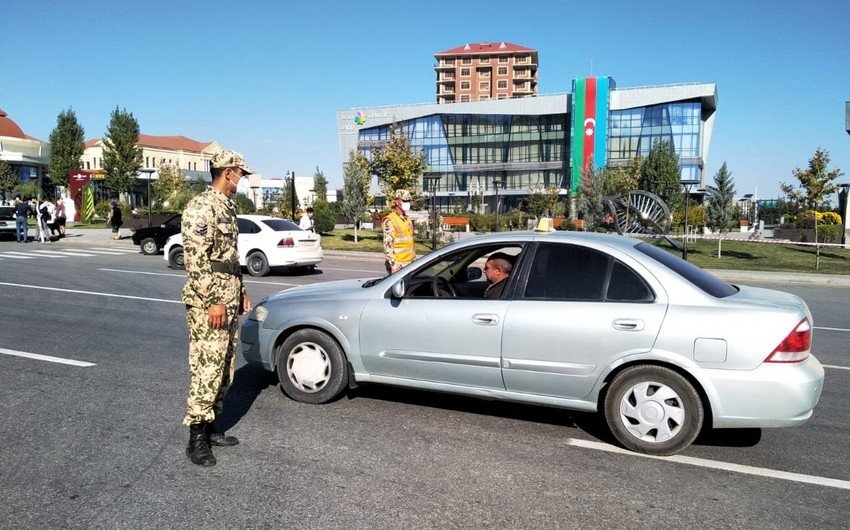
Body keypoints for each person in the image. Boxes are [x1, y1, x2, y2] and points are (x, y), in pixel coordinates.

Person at [180, 149, 253, 467]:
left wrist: (241, 291)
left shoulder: (227, 206)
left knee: (224, 368)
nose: (243, 179)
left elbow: (227, 257)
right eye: (241, 173)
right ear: (228, 172)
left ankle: (210, 427)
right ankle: (196, 438)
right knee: (207, 369)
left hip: (227, 296)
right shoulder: (202, 206)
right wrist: (214, 301)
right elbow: (196, 259)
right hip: (209, 303)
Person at [382, 189, 415, 274]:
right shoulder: (390, 220)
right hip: (398, 266)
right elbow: (388, 246)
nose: (407, 203)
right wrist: (394, 266)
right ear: (397, 202)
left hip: (409, 264)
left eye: (408, 201)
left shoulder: (407, 219)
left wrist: (414, 260)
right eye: (404, 200)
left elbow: (410, 242)